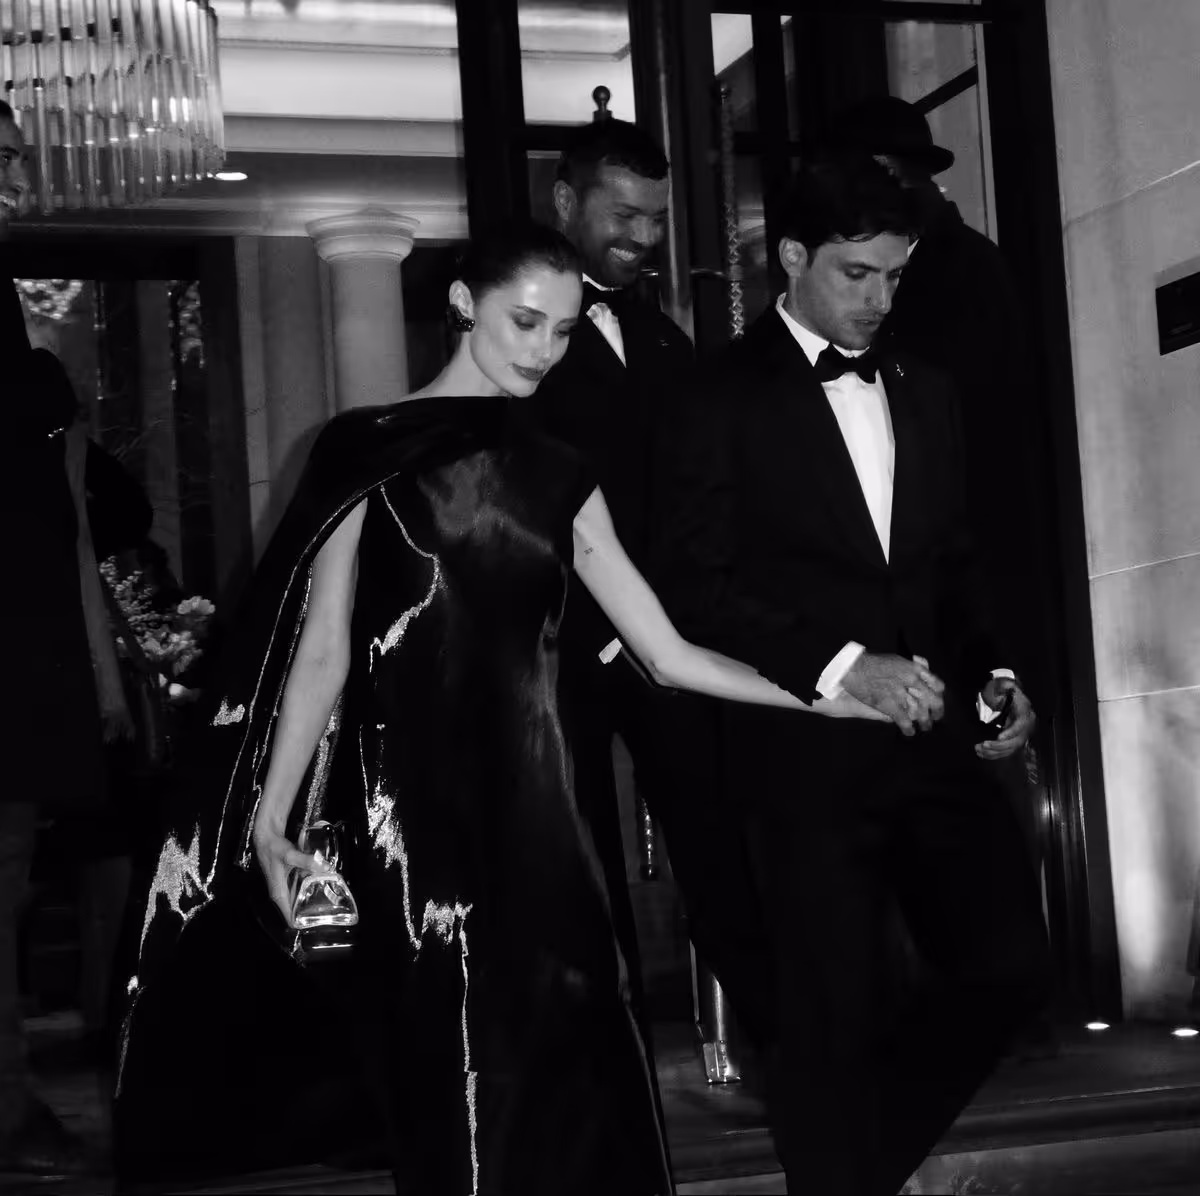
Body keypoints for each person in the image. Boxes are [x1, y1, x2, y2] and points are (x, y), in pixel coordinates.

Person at [115, 221, 883, 1195]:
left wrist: (828, 696)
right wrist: (269, 810)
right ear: (464, 304)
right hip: (413, 819)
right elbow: (321, 650)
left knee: (572, 1065)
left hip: (540, 812)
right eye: (525, 321)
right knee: (457, 1067)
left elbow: (668, 652)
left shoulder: (562, 468)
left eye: (562, 332)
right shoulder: (368, 448)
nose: (541, 349)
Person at [653, 157, 1051, 1195]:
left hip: (929, 747)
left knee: (1010, 960)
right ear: (791, 257)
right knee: (828, 1014)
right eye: (857, 273)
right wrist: (845, 665)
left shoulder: (929, 390)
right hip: (798, 755)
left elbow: (955, 567)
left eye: (894, 276)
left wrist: (996, 677)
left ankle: (858, 1164)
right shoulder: (713, 394)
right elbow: (695, 584)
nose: (879, 300)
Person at [533, 117, 773, 1044]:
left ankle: (779, 1048)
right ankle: (605, 1052)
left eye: (657, 218)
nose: (643, 235)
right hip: (556, 639)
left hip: (670, 633)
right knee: (580, 853)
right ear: (566, 202)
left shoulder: (667, 341)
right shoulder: (519, 324)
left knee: (716, 836)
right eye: (622, 213)